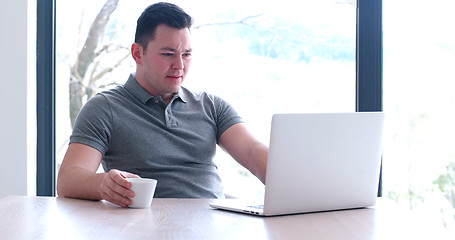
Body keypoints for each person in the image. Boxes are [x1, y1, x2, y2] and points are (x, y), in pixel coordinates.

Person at [57, 2, 268, 208]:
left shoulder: (211, 106)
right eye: (168, 54)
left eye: (186, 54)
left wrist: (291, 179)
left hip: (212, 224)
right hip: (144, 228)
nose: (179, 65)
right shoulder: (104, 108)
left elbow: (252, 152)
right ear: (138, 53)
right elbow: (68, 179)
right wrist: (103, 185)